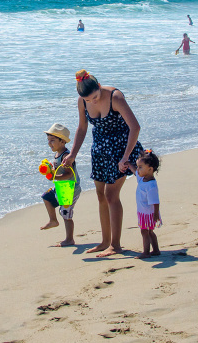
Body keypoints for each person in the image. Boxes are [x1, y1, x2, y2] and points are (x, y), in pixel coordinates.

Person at [63, 70, 144, 257]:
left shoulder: (115, 97)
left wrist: (126, 157)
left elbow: (135, 127)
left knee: (111, 195)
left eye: (95, 97)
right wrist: (73, 154)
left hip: (121, 149)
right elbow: (82, 127)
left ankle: (116, 245)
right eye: (88, 100)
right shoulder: (82, 101)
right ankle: (105, 241)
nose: (92, 102)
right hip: (99, 150)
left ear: (99, 87)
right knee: (101, 195)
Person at [39, 123, 81, 246]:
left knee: (66, 213)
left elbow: (68, 174)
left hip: (70, 188)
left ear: (62, 141)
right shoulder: (58, 154)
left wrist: (54, 177)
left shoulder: (66, 156)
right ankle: (53, 220)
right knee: (46, 197)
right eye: (48, 140)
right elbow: (58, 170)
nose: (49, 143)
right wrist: (50, 170)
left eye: (52, 140)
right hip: (61, 186)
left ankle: (69, 239)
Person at [127, 149, 161, 259]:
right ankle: (155, 250)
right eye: (138, 166)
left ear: (150, 169)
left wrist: (156, 214)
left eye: (140, 167)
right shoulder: (142, 179)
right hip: (143, 212)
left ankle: (146, 252)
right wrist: (129, 165)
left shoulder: (151, 185)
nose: (138, 169)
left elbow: (155, 202)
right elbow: (134, 171)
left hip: (148, 214)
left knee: (145, 232)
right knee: (149, 232)